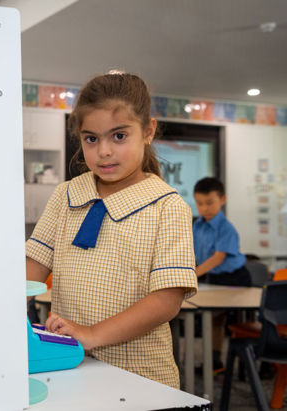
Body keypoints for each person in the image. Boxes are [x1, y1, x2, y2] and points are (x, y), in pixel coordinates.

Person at [25, 72, 198, 388]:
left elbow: (166, 301)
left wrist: (91, 334)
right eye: (91, 138)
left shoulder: (167, 206)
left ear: (148, 131)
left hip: (141, 378)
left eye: (118, 136)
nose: (103, 151)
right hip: (70, 368)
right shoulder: (66, 195)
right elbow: (29, 270)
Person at [192, 176, 251, 373]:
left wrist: (193, 275)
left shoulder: (226, 228)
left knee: (241, 321)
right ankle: (215, 361)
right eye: (200, 203)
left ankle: (249, 364)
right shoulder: (197, 226)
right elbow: (194, 255)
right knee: (214, 319)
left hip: (236, 278)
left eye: (210, 203)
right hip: (214, 278)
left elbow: (218, 258)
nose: (204, 208)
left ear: (222, 200)